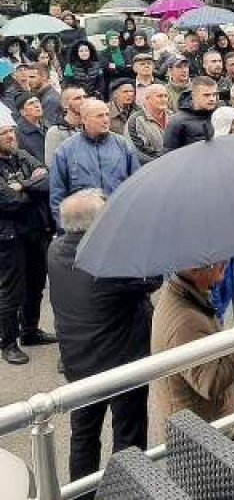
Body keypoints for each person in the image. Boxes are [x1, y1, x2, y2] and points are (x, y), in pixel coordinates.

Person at [48, 190, 160, 482]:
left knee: (83, 435)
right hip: (121, 363)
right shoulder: (108, 260)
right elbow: (153, 277)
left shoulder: (55, 250)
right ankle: (128, 489)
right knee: (129, 434)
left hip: (78, 362)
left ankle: (81, 493)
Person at [151, 261, 234, 433]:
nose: (226, 261)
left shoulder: (186, 295)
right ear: (195, 268)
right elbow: (211, 383)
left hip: (201, 427)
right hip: (202, 436)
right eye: (217, 259)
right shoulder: (186, 322)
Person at [0, 107, 53, 365]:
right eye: (4, 133)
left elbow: (48, 179)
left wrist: (22, 186)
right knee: (11, 291)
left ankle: (30, 331)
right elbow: (8, 201)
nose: (11, 136)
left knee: (36, 284)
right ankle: (8, 343)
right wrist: (31, 188)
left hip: (35, 231)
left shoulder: (21, 155)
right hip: (9, 238)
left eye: (11, 131)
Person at [50, 99, 141, 234]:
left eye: (107, 114)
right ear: (84, 119)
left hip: (118, 222)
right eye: (99, 116)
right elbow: (57, 194)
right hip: (82, 228)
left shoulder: (122, 145)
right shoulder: (66, 150)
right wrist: (65, 230)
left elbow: (136, 183)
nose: (105, 120)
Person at [163, 77, 217, 150]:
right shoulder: (177, 122)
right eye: (206, 95)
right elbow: (169, 152)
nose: (212, 99)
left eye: (214, 95)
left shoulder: (220, 116)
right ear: (194, 96)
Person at [125, 84, 173, 163]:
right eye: (160, 96)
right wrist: (165, 161)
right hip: (150, 167)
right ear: (147, 98)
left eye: (166, 96)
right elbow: (138, 152)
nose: (164, 99)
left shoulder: (174, 117)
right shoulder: (135, 121)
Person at [44, 85, 86, 167]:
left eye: (84, 97)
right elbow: (52, 164)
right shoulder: (56, 132)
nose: (83, 101)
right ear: (65, 105)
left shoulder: (91, 126)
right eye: (77, 98)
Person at [14, 93, 47, 163]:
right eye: (31, 103)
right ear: (22, 112)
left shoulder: (47, 124)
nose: (37, 105)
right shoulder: (18, 133)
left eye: (37, 101)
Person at [27, 63, 61, 127]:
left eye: (32, 77)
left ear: (44, 77)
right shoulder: (41, 96)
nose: (29, 80)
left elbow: (48, 126)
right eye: (28, 77)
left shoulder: (50, 99)